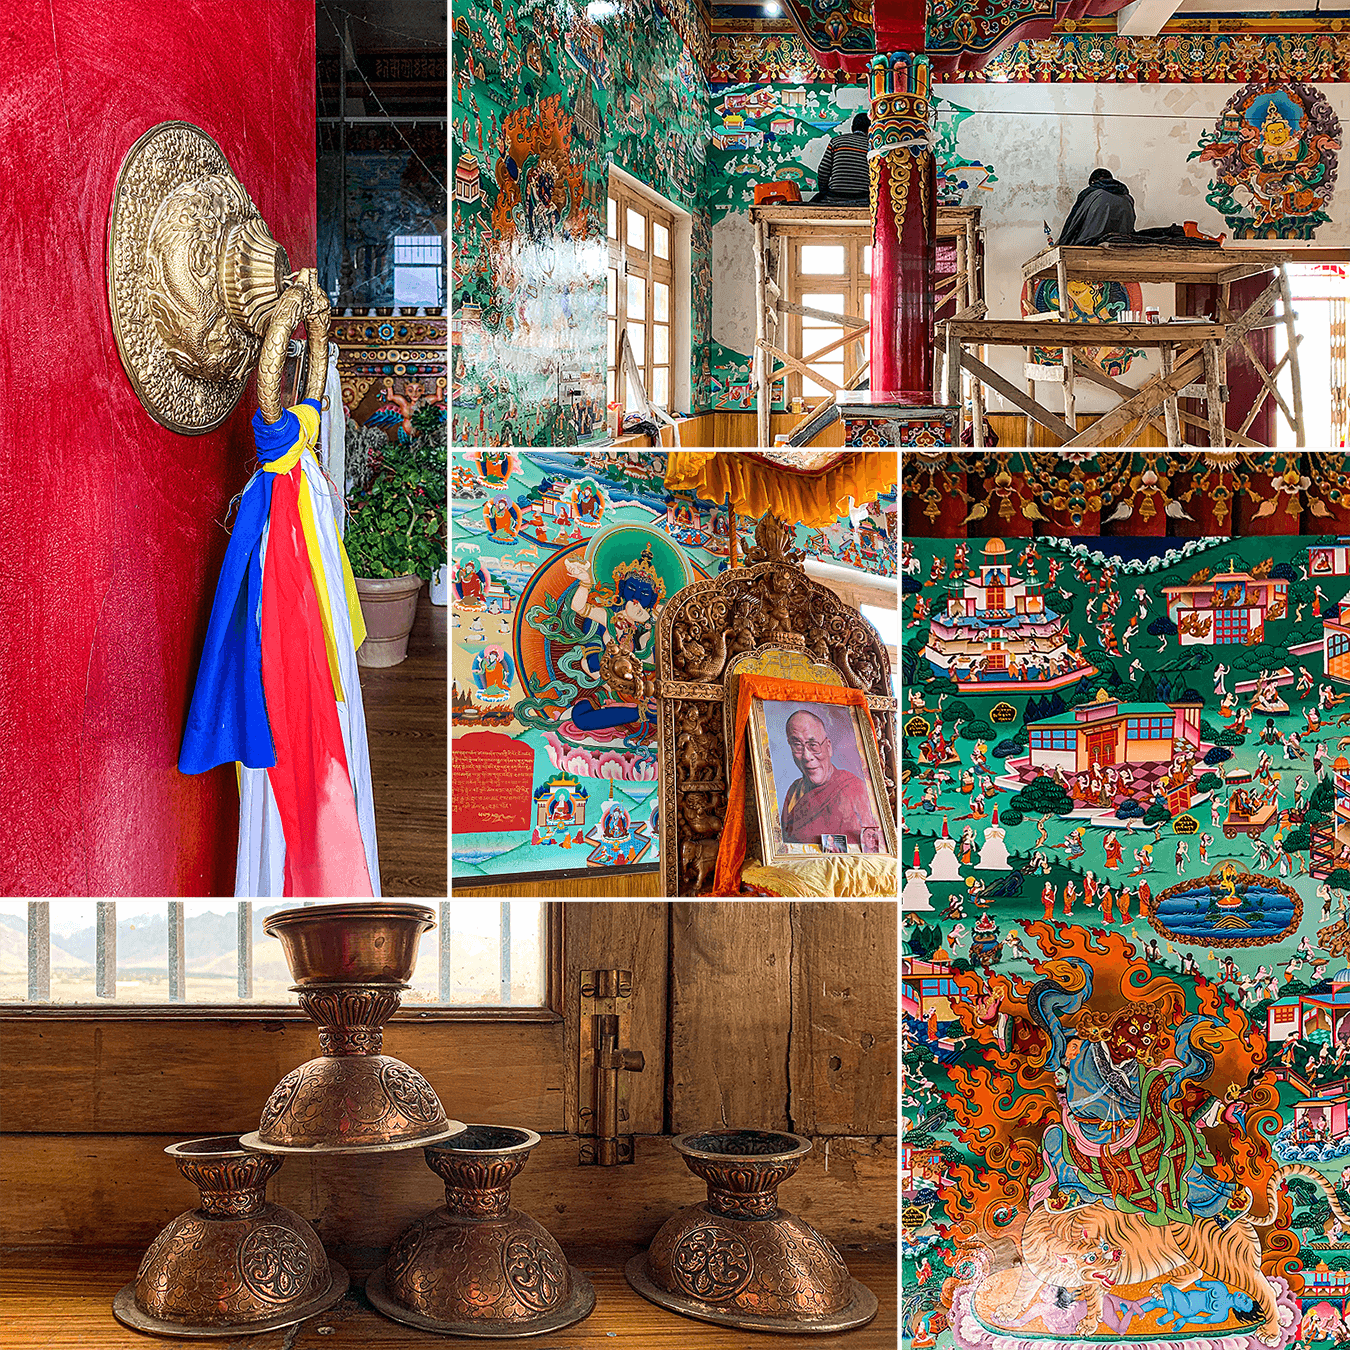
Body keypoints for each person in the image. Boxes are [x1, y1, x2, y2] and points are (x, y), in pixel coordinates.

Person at [779, 708, 880, 845]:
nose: (807, 756)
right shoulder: (794, 790)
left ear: (828, 747)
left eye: (813, 745)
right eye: (797, 745)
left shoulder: (854, 788)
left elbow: (872, 846)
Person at [1055, 168, 1135, 247]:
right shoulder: (1127, 197)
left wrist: (1063, 241)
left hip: (1092, 241)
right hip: (1124, 239)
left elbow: (1075, 220)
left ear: (1093, 181)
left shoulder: (1092, 193)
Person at [813, 113, 869, 204]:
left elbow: (823, 170)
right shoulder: (871, 147)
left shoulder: (836, 141)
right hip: (863, 199)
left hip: (834, 197)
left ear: (852, 128)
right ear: (870, 129)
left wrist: (824, 192)